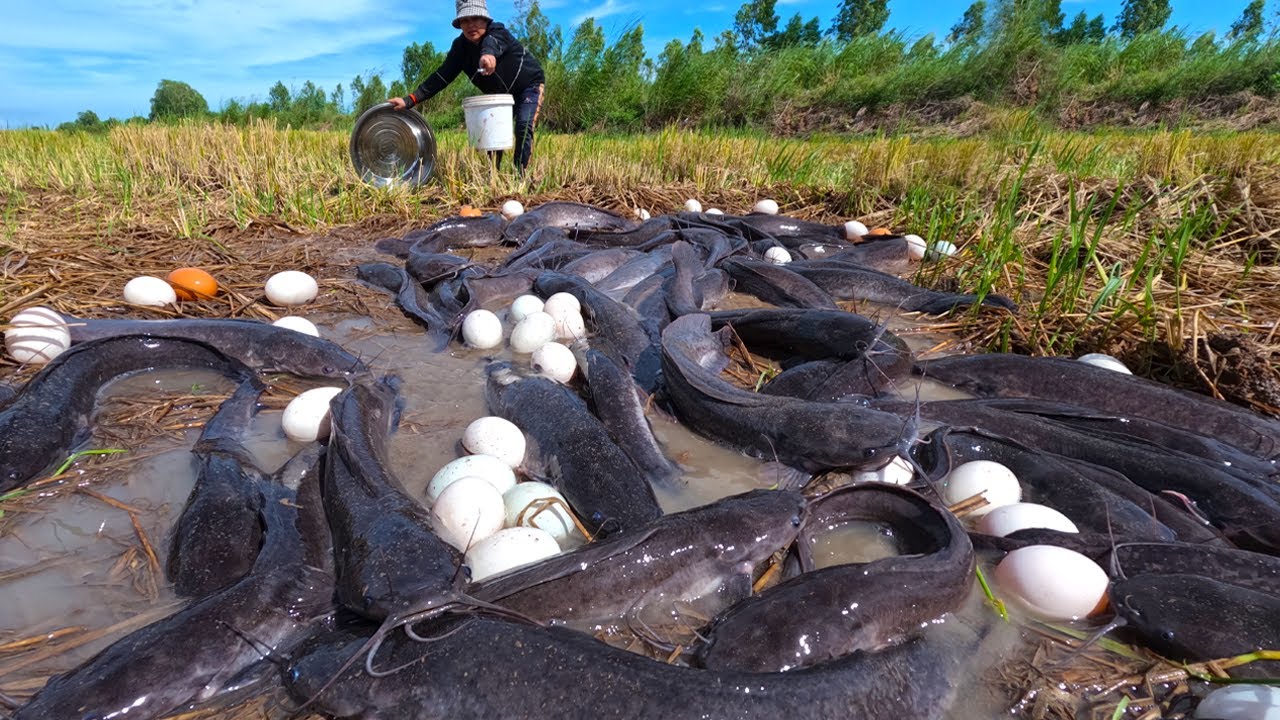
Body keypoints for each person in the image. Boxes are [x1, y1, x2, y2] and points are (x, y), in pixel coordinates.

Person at [389, 0, 545, 175]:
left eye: (476, 18)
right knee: (491, 133)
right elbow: (441, 77)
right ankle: (494, 176)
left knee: (523, 125)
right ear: (459, 24)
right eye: (465, 20)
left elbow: (492, 44)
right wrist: (410, 99)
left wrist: (488, 55)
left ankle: (520, 175)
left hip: (528, 86)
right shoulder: (460, 49)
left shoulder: (497, 31)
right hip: (498, 95)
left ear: (485, 19)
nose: (471, 25)